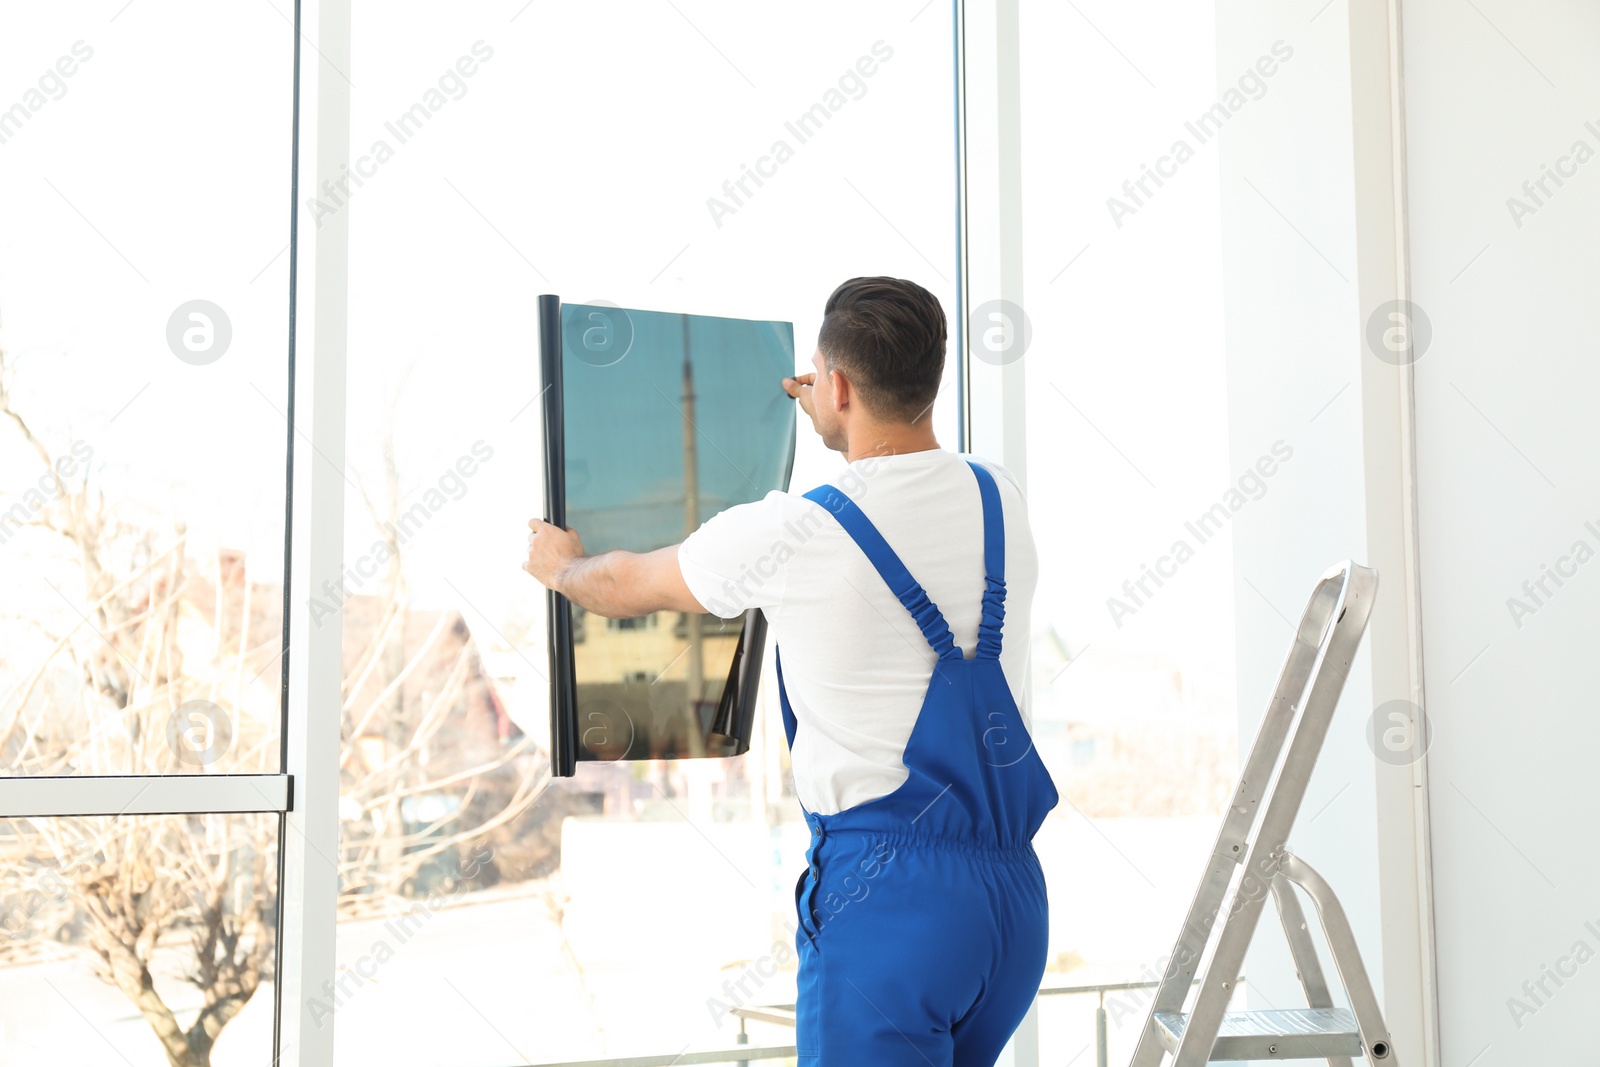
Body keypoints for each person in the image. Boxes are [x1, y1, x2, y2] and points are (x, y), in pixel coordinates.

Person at [523, 276, 1058, 1065]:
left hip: (890, 907)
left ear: (835, 385)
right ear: (931, 375)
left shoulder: (799, 531)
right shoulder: (998, 498)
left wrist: (563, 569)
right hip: (1011, 910)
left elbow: (626, 584)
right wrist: (844, 407)